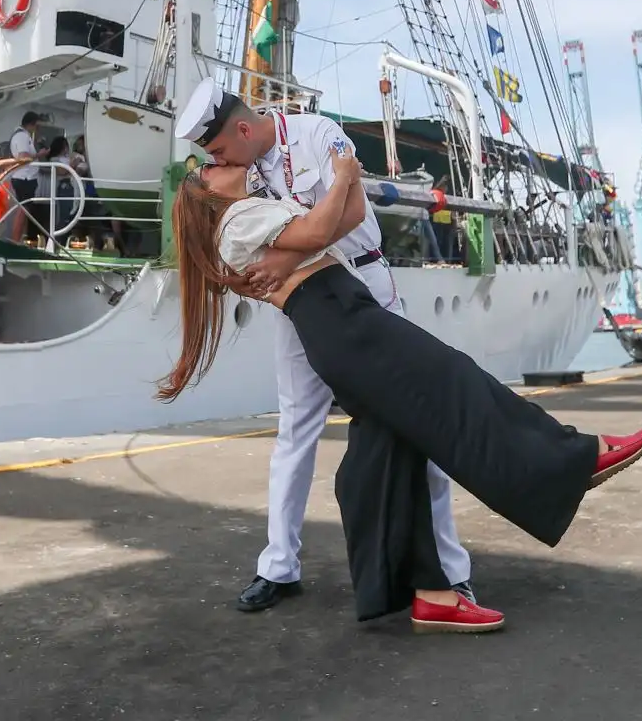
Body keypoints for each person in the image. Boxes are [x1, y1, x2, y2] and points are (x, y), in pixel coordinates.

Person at [163, 152, 642, 632]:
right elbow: (316, 232)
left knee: (388, 448)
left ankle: (432, 595)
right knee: (455, 379)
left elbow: (332, 227)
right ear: (207, 194)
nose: (220, 162)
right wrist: (344, 175)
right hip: (340, 319)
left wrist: (333, 203)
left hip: (341, 315)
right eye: (210, 168)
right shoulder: (237, 220)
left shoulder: (247, 215)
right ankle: (573, 458)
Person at [174, 79, 472, 614]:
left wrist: (286, 258)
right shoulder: (240, 175)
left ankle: (452, 569)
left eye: (217, 149)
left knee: (419, 420)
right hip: (302, 305)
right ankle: (278, 566)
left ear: (242, 129)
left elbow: (351, 212)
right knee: (294, 430)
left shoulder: (317, 134)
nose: (215, 161)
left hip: (365, 287)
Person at [7, 111, 43, 244]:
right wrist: (39, 154)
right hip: (24, 178)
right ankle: (15, 241)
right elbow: (23, 157)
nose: (37, 129)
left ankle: (19, 239)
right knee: (23, 210)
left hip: (25, 177)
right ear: (31, 124)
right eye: (37, 126)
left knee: (24, 210)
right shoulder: (22, 136)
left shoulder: (23, 135)